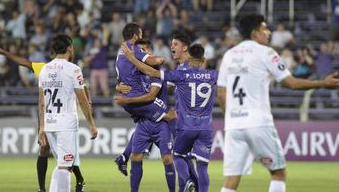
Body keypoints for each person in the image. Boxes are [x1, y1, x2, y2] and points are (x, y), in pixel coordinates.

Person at [217, 14, 339, 192]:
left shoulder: (229, 55)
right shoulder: (265, 52)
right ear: (254, 34)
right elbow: (292, 83)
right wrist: (323, 83)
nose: (268, 32)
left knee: (231, 181)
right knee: (278, 172)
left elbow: (221, 93)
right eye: (264, 29)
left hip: (233, 126)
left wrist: (232, 117)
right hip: (258, 123)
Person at [0, 43, 90, 192]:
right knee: (44, 149)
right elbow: (23, 62)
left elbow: (83, 88)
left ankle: (79, 179)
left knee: (65, 154)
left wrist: (88, 100)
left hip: (64, 116)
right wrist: (4, 52)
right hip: (47, 116)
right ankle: (42, 188)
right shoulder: (46, 68)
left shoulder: (72, 70)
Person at [122, 43, 218, 192]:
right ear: (204, 59)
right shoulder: (214, 75)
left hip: (186, 125)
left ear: (189, 57)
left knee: (178, 155)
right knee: (203, 165)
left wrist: (130, 57)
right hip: (206, 127)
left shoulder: (181, 75)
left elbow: (151, 72)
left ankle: (186, 181)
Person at [115, 26, 176, 191]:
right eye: (141, 47)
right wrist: (120, 87)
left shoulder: (153, 71)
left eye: (145, 49)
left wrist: (122, 92)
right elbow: (130, 80)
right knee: (136, 157)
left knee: (166, 159)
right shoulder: (139, 67)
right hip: (145, 119)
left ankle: (186, 155)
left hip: (158, 122)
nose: (142, 50)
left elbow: (150, 95)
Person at [38, 34, 98, 192]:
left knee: (62, 165)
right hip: (66, 124)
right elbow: (83, 100)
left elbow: (41, 102)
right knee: (65, 167)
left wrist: (41, 127)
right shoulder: (73, 69)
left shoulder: (44, 69)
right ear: (70, 48)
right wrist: (91, 124)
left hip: (50, 124)